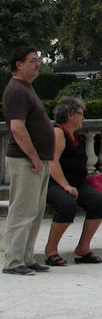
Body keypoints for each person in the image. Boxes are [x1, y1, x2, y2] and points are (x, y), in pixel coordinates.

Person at [3, 47, 55, 275]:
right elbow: (17, 127)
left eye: (38, 60)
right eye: (33, 61)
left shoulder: (26, 88)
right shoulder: (16, 90)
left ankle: (26, 257)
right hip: (25, 160)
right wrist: (33, 156)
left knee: (35, 211)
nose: (37, 65)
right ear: (19, 65)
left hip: (37, 159)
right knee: (23, 211)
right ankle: (14, 261)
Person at [44, 97, 102, 266]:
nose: (83, 118)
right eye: (81, 114)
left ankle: (83, 248)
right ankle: (51, 251)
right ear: (70, 115)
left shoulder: (75, 135)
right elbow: (52, 162)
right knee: (67, 204)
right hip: (54, 183)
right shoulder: (58, 133)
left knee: (99, 201)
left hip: (77, 183)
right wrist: (65, 185)